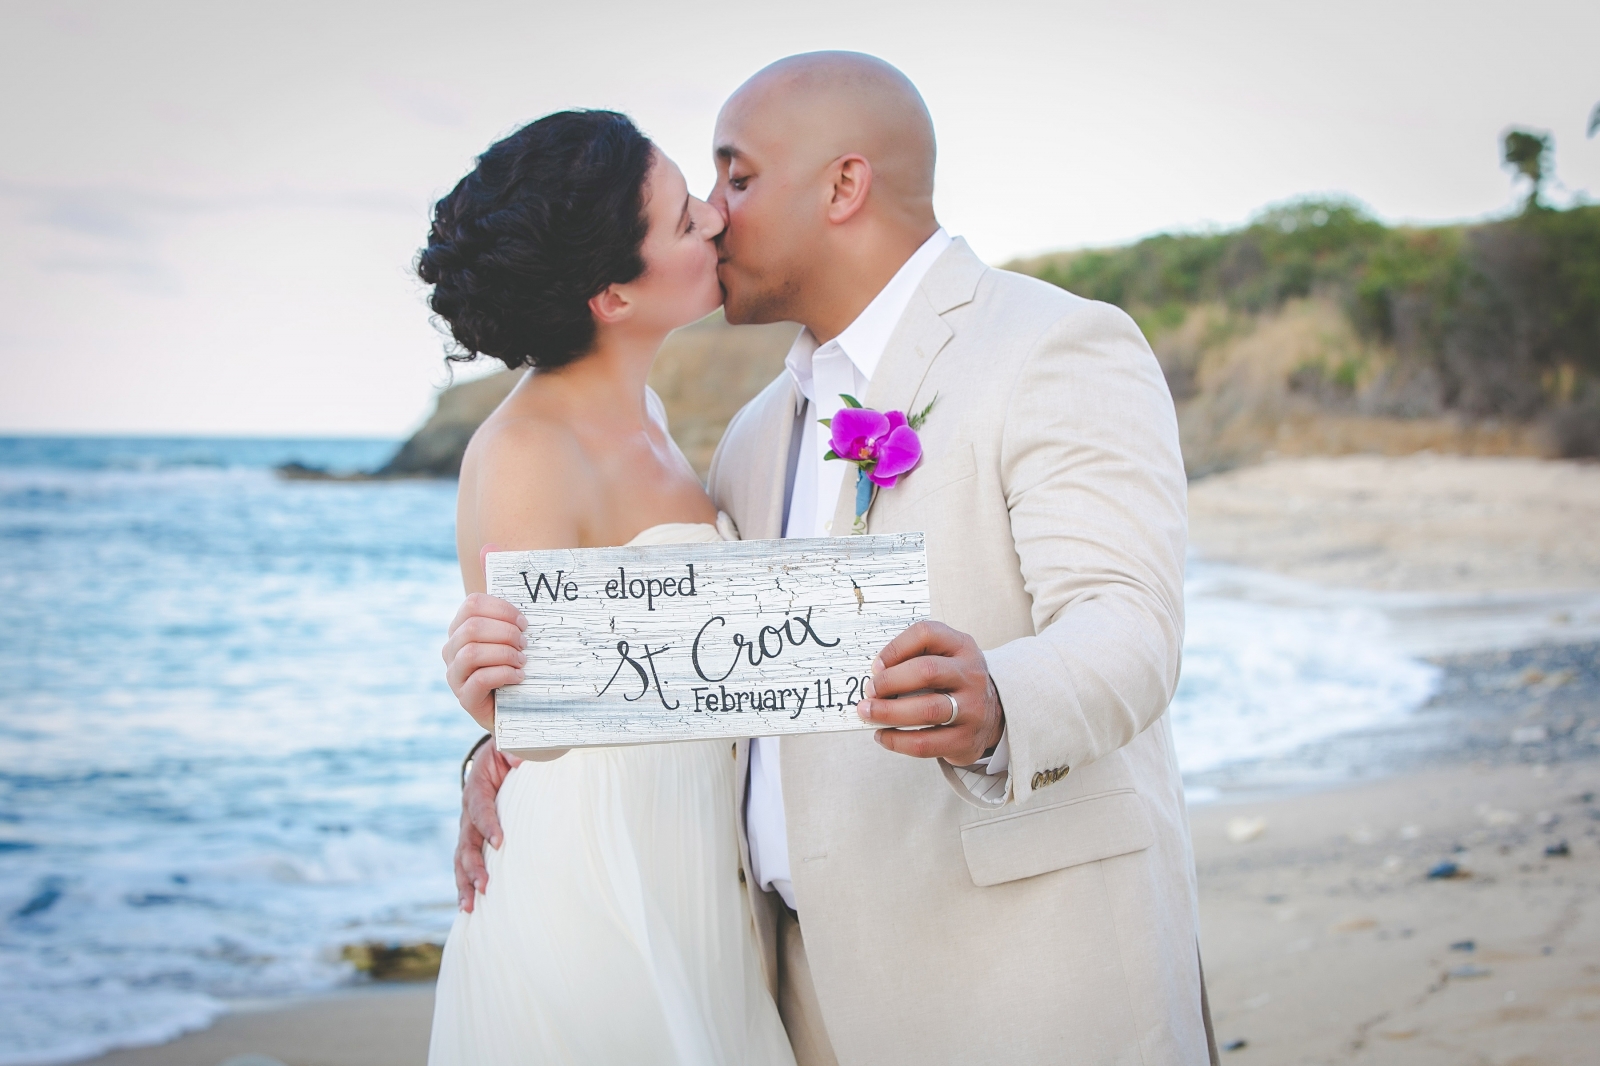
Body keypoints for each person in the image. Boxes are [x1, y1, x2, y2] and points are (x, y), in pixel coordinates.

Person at [450, 52, 1219, 1065]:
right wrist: (503, 736)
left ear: (843, 185)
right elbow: (685, 672)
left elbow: (1129, 626)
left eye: (735, 176)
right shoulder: (753, 434)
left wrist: (996, 701)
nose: (714, 214)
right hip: (792, 996)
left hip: (1026, 976)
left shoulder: (1054, 345)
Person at [418, 109, 795, 1066]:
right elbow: (534, 709)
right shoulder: (526, 454)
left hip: (693, 864)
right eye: (680, 221)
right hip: (602, 884)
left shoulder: (651, 414)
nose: (714, 219)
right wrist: (491, 716)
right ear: (612, 297)